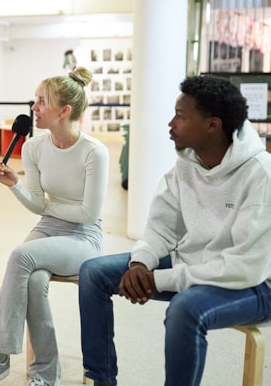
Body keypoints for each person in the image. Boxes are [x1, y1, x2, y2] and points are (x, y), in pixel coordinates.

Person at [78, 74, 271, 386]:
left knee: (185, 309)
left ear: (213, 124)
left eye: (181, 116)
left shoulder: (261, 175)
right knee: (93, 273)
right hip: (194, 265)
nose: (171, 123)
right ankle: (103, 380)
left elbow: (244, 267)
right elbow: (161, 226)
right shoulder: (186, 164)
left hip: (255, 284)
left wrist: (159, 279)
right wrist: (141, 263)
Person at [0, 67, 109, 386]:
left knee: (21, 256)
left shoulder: (95, 152)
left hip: (84, 237)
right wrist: (15, 185)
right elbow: (39, 206)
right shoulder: (33, 147)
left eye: (41, 101)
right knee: (34, 282)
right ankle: (46, 374)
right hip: (48, 227)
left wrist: (49, 205)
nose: (34, 108)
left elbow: (88, 213)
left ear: (64, 111)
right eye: (35, 100)